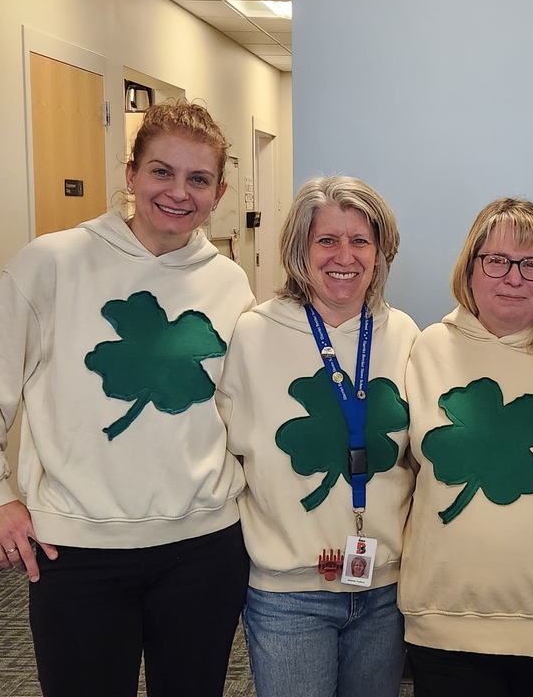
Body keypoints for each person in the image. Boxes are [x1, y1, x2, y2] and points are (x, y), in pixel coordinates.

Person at [0, 100, 254, 696]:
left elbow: (235, 408)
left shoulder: (228, 280)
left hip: (203, 546)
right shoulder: (51, 263)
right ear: (130, 175)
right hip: (78, 549)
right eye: (162, 171)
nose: (178, 192)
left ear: (219, 191)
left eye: (198, 179)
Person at [216, 175, 418, 697]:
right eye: (326, 240)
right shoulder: (255, 333)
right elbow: (224, 448)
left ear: (381, 251)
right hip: (289, 594)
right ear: (299, 249)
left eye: (360, 241)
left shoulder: (403, 335)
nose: (343, 256)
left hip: (383, 589)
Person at [399, 198, 533, 697]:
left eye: (531, 263)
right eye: (496, 260)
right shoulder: (427, 349)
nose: (513, 277)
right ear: (469, 268)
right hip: (445, 616)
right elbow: (403, 473)